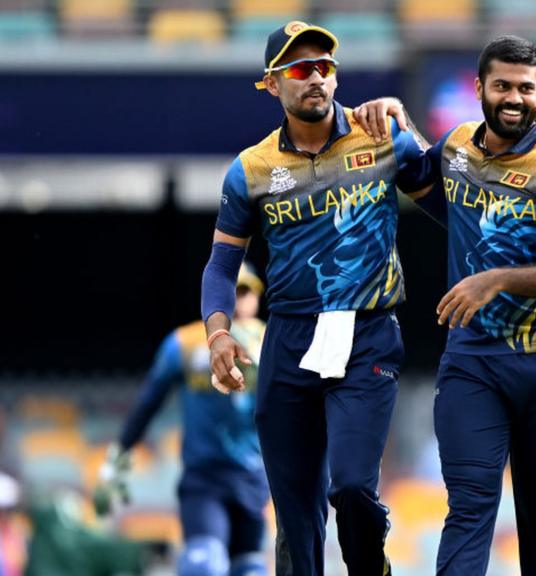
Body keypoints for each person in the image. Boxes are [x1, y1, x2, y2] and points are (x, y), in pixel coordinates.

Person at [354, 35, 536, 575]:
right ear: (479, 89)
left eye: (526, 89)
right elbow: (428, 186)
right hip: (473, 360)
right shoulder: (459, 144)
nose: (515, 98)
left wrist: (496, 280)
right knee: (468, 504)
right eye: (503, 86)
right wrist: (395, 120)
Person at [200, 20, 428, 576]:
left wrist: (407, 119)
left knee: (351, 487)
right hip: (291, 337)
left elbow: (448, 198)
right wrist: (219, 332)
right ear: (271, 84)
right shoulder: (251, 169)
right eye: (300, 69)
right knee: (297, 519)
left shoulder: (379, 134)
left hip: (368, 331)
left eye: (325, 67)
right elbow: (223, 263)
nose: (316, 79)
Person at [94, 265, 268, 576]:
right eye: (229, 292)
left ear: (256, 298)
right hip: (204, 479)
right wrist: (118, 456)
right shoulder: (185, 344)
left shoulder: (272, 343)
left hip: (254, 479)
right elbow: (149, 402)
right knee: (204, 565)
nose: (237, 302)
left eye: (244, 292)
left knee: (250, 570)